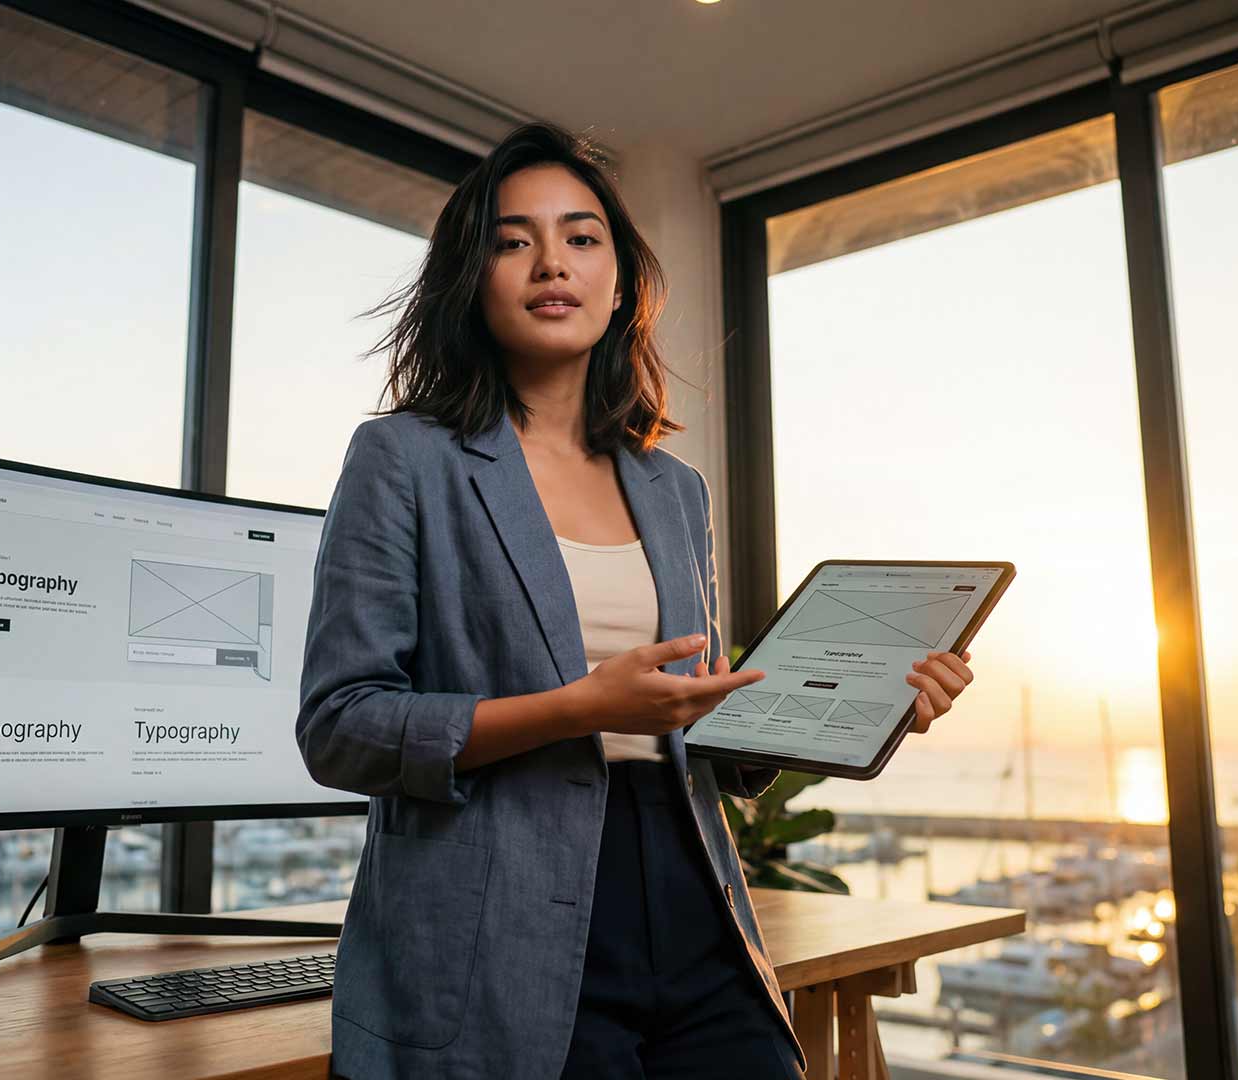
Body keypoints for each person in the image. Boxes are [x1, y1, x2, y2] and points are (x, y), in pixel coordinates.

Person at [296, 121, 976, 1080]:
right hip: (496, 921)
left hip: (694, 893)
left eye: (581, 237)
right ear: (472, 278)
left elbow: (696, 728)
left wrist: (867, 704)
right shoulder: (403, 458)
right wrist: (577, 708)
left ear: (619, 284)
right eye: (512, 240)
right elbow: (340, 726)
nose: (551, 263)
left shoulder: (673, 488)